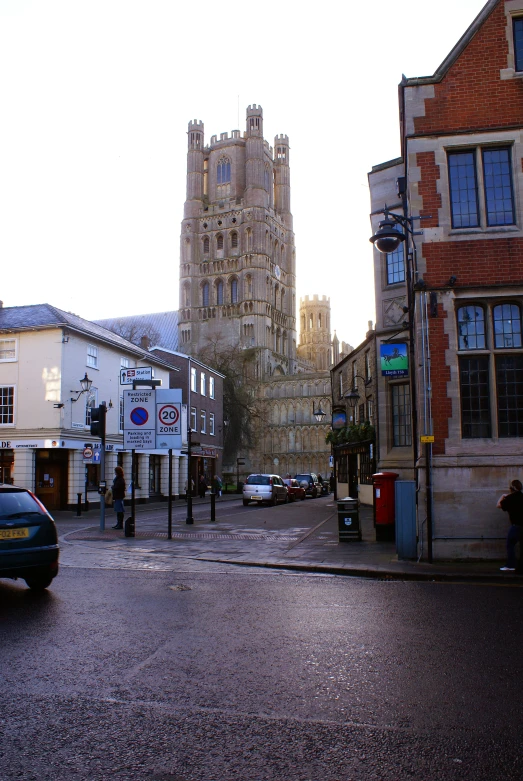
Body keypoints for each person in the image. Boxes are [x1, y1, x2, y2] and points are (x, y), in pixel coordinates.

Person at [497, 478, 523, 572]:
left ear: (511, 488)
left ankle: (511, 565)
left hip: (516, 526)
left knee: (510, 544)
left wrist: (503, 496)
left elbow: (499, 505)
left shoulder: (510, 498)